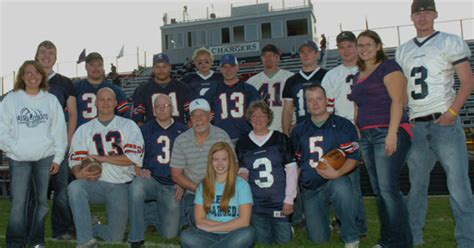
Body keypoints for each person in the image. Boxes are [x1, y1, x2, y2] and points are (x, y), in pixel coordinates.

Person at [395, 0, 474, 246]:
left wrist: (451, 112)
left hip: (444, 122)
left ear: (435, 15)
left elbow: (468, 81)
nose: (422, 17)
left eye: (427, 12)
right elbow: (401, 91)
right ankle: (413, 239)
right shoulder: (403, 50)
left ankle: (467, 241)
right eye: (417, 13)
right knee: (416, 188)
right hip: (416, 125)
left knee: (459, 187)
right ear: (411, 17)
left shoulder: (450, 41)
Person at [349, 30, 413, 248]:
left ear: (378, 46)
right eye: (360, 45)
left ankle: (401, 242)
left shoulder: (389, 67)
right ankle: (387, 241)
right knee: (380, 192)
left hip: (387, 131)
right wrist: (357, 130)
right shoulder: (359, 74)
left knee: (388, 190)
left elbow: (398, 101)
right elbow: (358, 105)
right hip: (366, 135)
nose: (364, 48)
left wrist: (392, 133)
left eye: (369, 44)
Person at [0, 60, 67, 248]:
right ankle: (15, 243)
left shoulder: (50, 100)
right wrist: (14, 147)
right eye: (28, 73)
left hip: (44, 158)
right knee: (19, 203)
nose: (32, 76)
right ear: (22, 76)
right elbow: (1, 129)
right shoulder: (11, 99)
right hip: (18, 158)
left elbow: (59, 131)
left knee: (41, 203)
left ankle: (37, 241)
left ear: (42, 76)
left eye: (36, 73)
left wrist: (58, 158)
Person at [68, 87, 144, 247]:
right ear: (96, 103)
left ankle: (92, 225)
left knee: (115, 238)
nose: (106, 103)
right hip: (94, 184)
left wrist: (101, 158)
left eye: (110, 99)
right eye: (102, 99)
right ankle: (85, 241)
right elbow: (75, 162)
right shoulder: (84, 129)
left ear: (116, 103)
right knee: (75, 187)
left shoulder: (129, 125)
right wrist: (78, 174)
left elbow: (132, 158)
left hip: (120, 185)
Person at [290, 85, 360, 248]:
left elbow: (353, 158)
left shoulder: (342, 125)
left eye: (318, 99)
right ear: (306, 104)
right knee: (319, 239)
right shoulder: (298, 130)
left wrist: (337, 173)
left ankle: (351, 237)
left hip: (335, 181)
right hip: (311, 188)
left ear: (326, 100)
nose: (315, 103)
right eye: (310, 100)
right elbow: (296, 163)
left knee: (342, 189)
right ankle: (323, 221)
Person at [321, 31, 368, 237]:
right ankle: (349, 223)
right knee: (346, 182)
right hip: (342, 132)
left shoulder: (368, 69)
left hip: (368, 127)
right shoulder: (332, 75)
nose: (346, 50)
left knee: (360, 184)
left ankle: (358, 225)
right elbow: (327, 110)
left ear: (356, 46)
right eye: (342, 47)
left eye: (350, 45)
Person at [128, 94, 187, 248]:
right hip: (151, 180)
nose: (162, 109)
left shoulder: (183, 130)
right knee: (136, 187)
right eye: (158, 107)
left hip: (173, 184)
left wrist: (183, 182)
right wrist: (138, 169)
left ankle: (154, 219)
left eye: (165, 106)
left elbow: (189, 160)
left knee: (170, 235)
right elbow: (133, 155)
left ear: (172, 108)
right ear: (153, 110)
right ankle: (136, 236)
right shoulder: (144, 129)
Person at [235, 101, 298, 244]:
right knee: (263, 242)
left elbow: (292, 169)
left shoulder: (280, 138)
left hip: (279, 200)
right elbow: (243, 169)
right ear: (249, 118)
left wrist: (289, 199)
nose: (258, 119)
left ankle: (288, 228)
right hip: (256, 202)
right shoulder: (242, 142)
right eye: (254, 115)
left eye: (262, 115)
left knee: (284, 242)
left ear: (269, 118)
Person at [34, 40, 77, 240]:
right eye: (43, 52)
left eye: (51, 52)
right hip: (35, 146)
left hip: (58, 146)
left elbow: (73, 114)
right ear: (36, 56)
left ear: (56, 57)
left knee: (62, 191)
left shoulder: (65, 82)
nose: (46, 55)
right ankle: (34, 230)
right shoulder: (29, 79)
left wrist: (66, 143)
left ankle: (63, 230)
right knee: (35, 192)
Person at [180, 142, 255, 248]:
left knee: (248, 233)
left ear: (230, 161)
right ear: (211, 162)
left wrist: (213, 228)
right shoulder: (203, 185)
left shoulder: (241, 185)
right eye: (216, 159)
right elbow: (200, 220)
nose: (220, 164)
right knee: (187, 235)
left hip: (234, 233)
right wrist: (215, 229)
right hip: (209, 235)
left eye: (224, 159)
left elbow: (244, 221)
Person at [170, 98, 232, 227]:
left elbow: (233, 166)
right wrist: (201, 190)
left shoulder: (222, 136)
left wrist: (219, 191)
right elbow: (176, 174)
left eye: (202, 114)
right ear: (190, 119)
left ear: (210, 116)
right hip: (194, 192)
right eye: (194, 115)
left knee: (225, 223)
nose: (198, 119)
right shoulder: (181, 140)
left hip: (220, 191)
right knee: (200, 222)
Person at [204, 54, 259, 142]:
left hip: (245, 138)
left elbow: (257, 114)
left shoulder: (249, 90)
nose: (228, 70)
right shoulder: (213, 91)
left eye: (231, 66)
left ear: (237, 67)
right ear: (220, 69)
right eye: (224, 67)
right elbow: (207, 116)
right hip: (220, 138)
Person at [282, 40, 328, 136]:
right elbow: (287, 110)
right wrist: (286, 134)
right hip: (302, 130)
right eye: (302, 52)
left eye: (309, 51)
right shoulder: (291, 81)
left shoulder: (327, 76)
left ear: (317, 54)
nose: (305, 55)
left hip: (325, 126)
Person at [132, 53, 191, 125]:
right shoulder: (143, 89)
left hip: (178, 132)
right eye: (157, 67)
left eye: (164, 66)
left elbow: (191, 116)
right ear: (153, 69)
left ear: (170, 67)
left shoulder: (182, 87)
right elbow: (138, 119)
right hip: (153, 133)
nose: (161, 70)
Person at [75, 52, 131, 127]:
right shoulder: (76, 89)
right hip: (84, 135)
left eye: (99, 65)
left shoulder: (114, 90)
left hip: (109, 134)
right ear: (86, 66)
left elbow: (125, 115)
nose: (96, 68)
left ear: (103, 67)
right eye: (92, 65)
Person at [247, 44, 294, 132]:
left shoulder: (290, 78)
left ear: (278, 58)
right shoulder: (252, 81)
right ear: (261, 58)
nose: (268, 58)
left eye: (271, 55)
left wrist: (294, 125)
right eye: (265, 55)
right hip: (260, 130)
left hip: (284, 128)